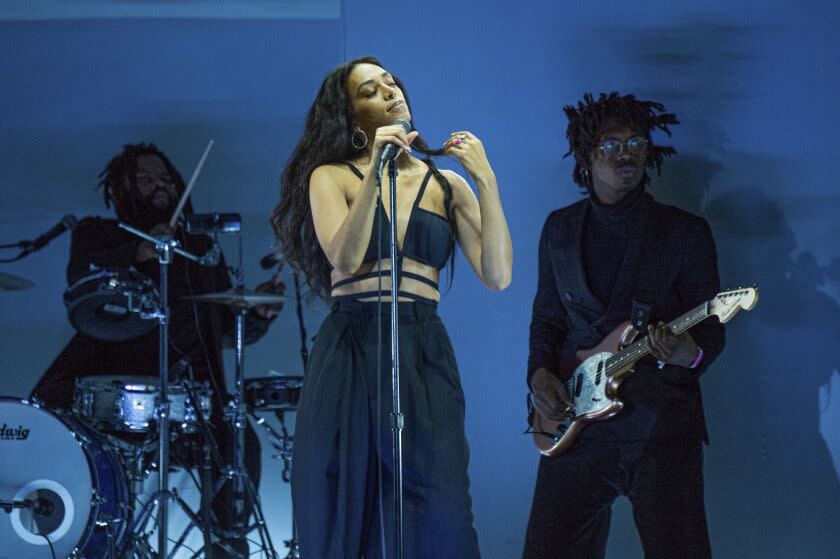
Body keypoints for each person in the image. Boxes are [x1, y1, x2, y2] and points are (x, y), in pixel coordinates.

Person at [271, 56, 512, 558]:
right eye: (370, 92)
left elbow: (498, 275)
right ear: (352, 118)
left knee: (441, 501)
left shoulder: (446, 185)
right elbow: (347, 255)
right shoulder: (330, 177)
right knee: (346, 498)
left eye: (391, 83)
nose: (389, 92)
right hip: (353, 345)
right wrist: (377, 169)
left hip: (423, 345)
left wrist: (485, 179)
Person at [31, 142, 285, 558]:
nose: (160, 185)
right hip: (109, 402)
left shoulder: (201, 249)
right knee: (56, 444)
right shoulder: (97, 233)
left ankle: (227, 546)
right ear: (121, 189)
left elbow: (220, 329)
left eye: (165, 177)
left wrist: (254, 315)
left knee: (239, 440)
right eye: (145, 179)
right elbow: (83, 281)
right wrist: (139, 251)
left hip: (190, 403)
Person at [523, 93, 726, 559]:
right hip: (576, 425)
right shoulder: (558, 230)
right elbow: (546, 320)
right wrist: (539, 376)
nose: (627, 154)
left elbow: (712, 333)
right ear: (586, 156)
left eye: (636, 142)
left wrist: (686, 353)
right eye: (611, 145)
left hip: (660, 426)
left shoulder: (684, 233)